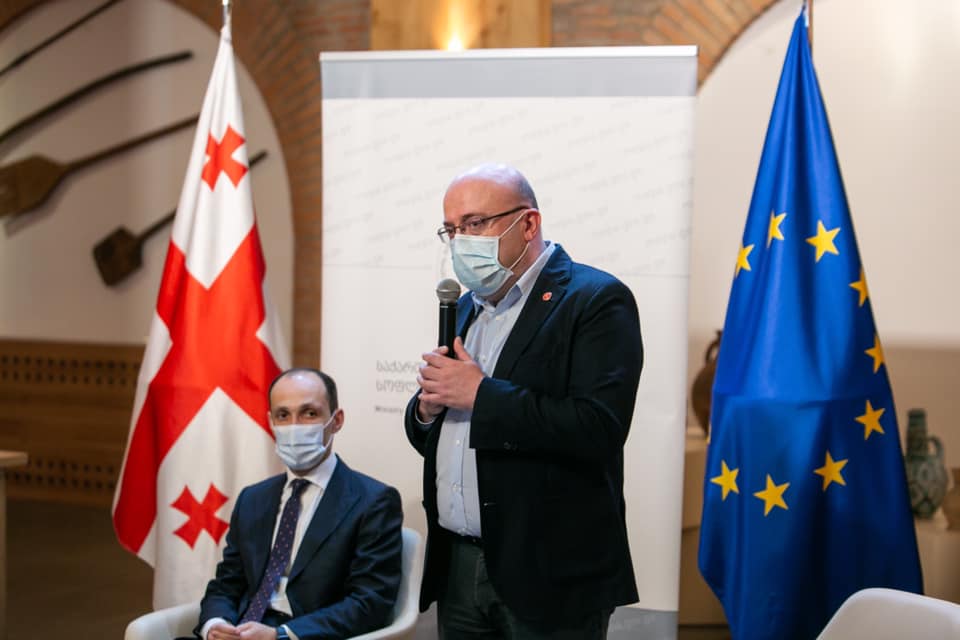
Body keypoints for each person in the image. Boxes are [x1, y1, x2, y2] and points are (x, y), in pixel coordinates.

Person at [405, 163, 643, 638]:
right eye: (451, 229)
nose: (460, 242)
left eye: (474, 223)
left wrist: (480, 395)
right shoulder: (467, 306)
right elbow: (447, 429)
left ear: (528, 223)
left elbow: (599, 428)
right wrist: (427, 410)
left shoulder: (595, 299)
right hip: (459, 564)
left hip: (549, 572)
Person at [194, 368, 403, 640]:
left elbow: (370, 603)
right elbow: (226, 584)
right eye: (283, 415)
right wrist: (215, 625)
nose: (295, 426)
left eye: (309, 413)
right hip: (242, 630)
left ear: (336, 420)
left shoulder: (373, 501)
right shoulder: (252, 499)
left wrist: (281, 635)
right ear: (271, 422)